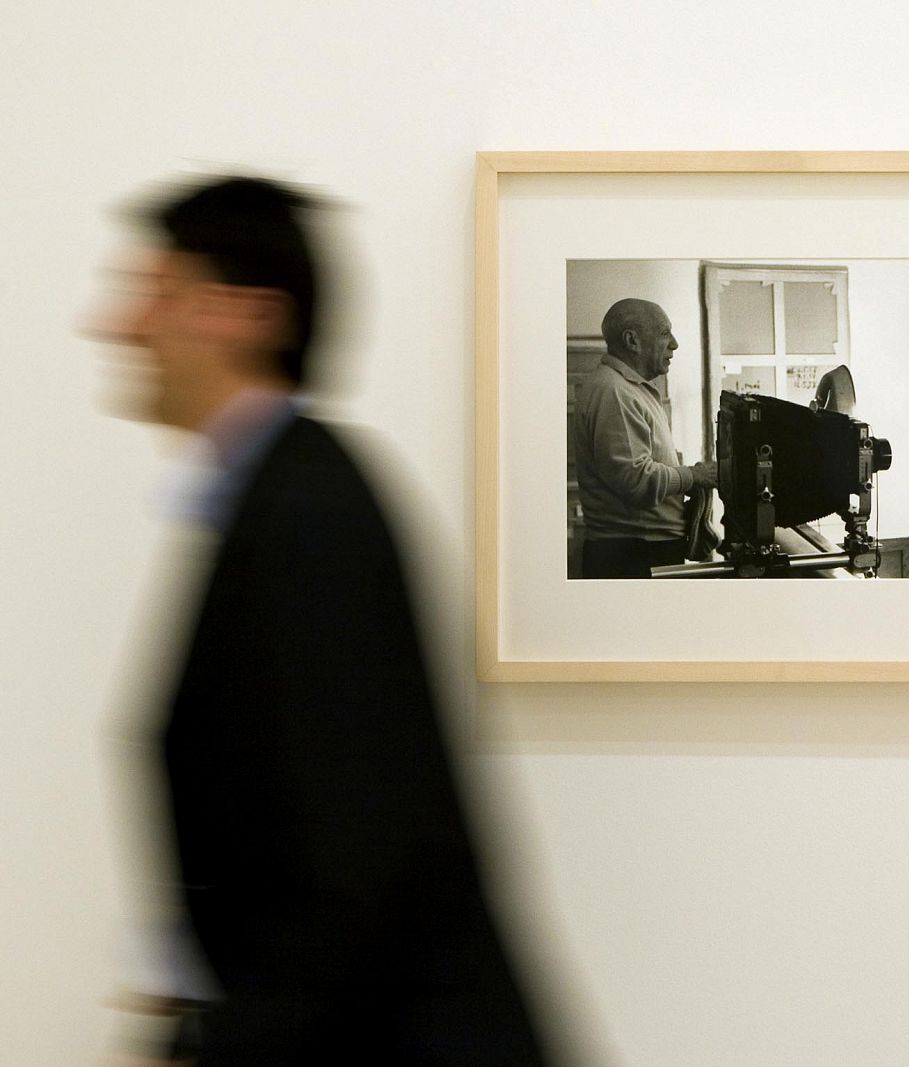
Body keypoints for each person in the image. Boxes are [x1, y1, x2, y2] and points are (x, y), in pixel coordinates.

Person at [93, 175, 551, 1064]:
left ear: (246, 312)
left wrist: (223, 1035)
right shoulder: (274, 498)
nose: (121, 323)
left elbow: (357, 864)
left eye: (157, 291)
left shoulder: (307, 514)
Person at [570, 298, 716, 578]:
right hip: (632, 555)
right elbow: (634, 479)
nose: (674, 343)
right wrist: (694, 477)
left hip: (639, 550)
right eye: (664, 333)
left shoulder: (628, 388)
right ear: (632, 341)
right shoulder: (614, 392)